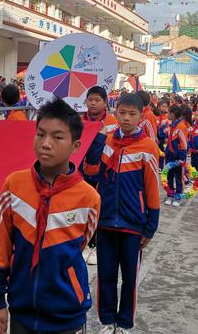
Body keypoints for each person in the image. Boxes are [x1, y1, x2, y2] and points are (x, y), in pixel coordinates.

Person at [0, 99, 100, 334]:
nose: (46, 144)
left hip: (67, 314)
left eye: (58, 137)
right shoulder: (13, 185)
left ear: (76, 145)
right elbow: (2, 245)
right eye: (40, 134)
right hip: (21, 310)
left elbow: (81, 244)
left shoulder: (89, 198)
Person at [83, 94, 160, 333]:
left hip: (133, 224)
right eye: (122, 113)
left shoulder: (148, 147)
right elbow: (95, 175)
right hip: (105, 222)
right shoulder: (107, 141)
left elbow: (152, 188)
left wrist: (151, 225)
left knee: (129, 280)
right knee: (105, 276)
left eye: (132, 114)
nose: (126, 118)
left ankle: (124, 324)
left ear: (140, 116)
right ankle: (107, 322)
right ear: (115, 112)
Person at [80, 86, 117, 266]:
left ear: (104, 103)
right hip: (81, 172)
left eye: (97, 100)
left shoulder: (112, 122)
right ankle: (82, 243)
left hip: (103, 173)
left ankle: (95, 244)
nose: (93, 103)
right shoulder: (79, 120)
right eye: (90, 99)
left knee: (99, 208)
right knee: (81, 208)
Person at [164, 105, 188, 207]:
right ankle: (170, 195)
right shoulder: (171, 125)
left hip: (178, 157)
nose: (167, 114)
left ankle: (178, 196)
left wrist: (182, 158)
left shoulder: (181, 126)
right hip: (169, 155)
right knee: (169, 176)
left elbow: (183, 144)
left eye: (168, 113)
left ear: (173, 114)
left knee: (178, 177)